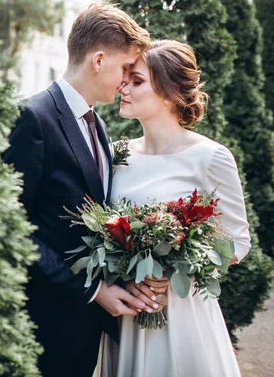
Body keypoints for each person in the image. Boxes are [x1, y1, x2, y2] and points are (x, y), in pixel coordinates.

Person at [3, 3, 157, 377]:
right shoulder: (32, 117)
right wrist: (92, 291)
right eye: (125, 68)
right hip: (44, 327)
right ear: (98, 59)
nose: (125, 80)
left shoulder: (97, 126)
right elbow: (12, 228)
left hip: (83, 333)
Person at [99, 40, 249, 377]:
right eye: (126, 78)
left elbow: (238, 242)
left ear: (168, 93)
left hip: (183, 312)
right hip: (127, 310)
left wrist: (175, 271)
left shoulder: (210, 157)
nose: (123, 86)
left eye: (136, 81)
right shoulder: (114, 154)